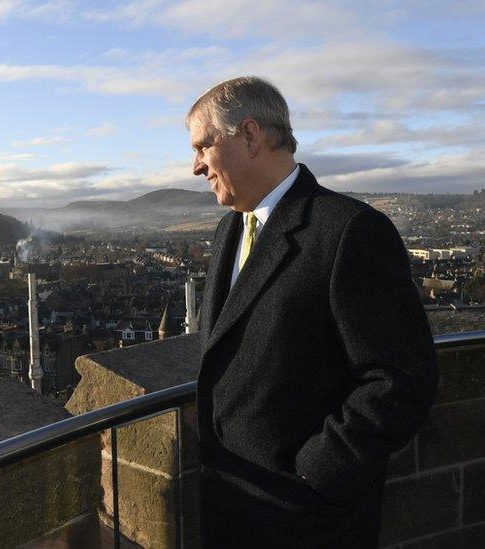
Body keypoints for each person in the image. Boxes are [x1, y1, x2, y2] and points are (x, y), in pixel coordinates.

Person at [187, 76, 438, 548]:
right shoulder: (229, 231)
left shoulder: (350, 231)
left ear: (249, 135)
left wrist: (317, 471)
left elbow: (401, 378)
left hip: (309, 520)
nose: (196, 165)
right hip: (233, 506)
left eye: (203, 146)